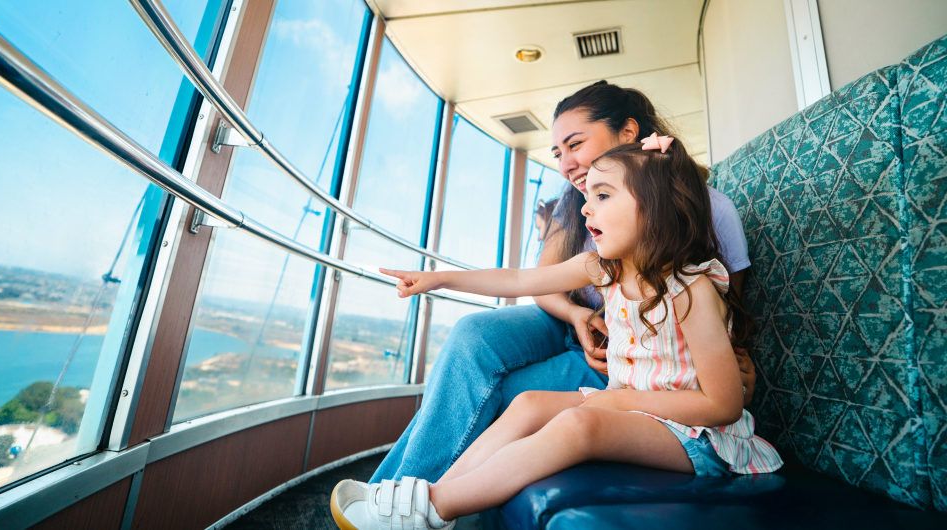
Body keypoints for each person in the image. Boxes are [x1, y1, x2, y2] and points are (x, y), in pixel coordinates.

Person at [331, 136, 781, 530]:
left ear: (655, 210)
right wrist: (440, 278)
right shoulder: (604, 269)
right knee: (528, 404)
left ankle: (435, 507)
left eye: (603, 195)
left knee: (580, 423)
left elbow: (723, 404)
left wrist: (617, 399)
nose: (586, 206)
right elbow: (518, 280)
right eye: (589, 196)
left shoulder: (691, 290)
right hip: (635, 410)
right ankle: (434, 500)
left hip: (699, 440)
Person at [369, 81, 756, 485]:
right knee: (472, 336)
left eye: (575, 145)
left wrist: (734, 370)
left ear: (628, 133)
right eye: (557, 153)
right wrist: (575, 313)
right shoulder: (585, 230)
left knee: (503, 395)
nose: (566, 164)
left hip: (632, 364)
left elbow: (723, 328)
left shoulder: (708, 227)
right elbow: (528, 280)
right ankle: (398, 494)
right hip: (577, 327)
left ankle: (415, 496)